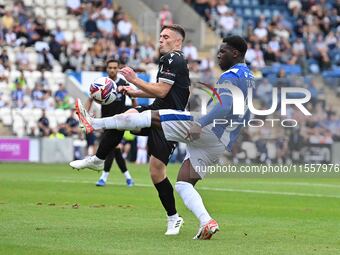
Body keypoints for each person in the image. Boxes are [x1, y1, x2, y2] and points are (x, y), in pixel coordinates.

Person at [74, 35, 253, 240]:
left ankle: (93, 123)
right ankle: (207, 222)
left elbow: (224, 106)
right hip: (220, 142)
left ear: (235, 53)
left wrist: (200, 124)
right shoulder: (248, 76)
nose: (218, 55)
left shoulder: (230, 76)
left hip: (207, 129)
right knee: (183, 183)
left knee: (152, 117)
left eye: (223, 51)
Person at [70, 24, 190, 235]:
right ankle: (98, 158)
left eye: (166, 36)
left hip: (167, 121)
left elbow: (162, 91)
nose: (160, 39)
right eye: (160, 35)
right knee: (126, 117)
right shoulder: (171, 60)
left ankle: (174, 218)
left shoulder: (172, 58)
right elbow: (165, 93)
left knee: (156, 172)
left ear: (177, 41)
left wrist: (135, 80)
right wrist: (135, 92)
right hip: (157, 113)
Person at [87, 59, 135, 187]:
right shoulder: (102, 83)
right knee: (114, 150)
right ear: (107, 69)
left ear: (118, 68)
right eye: (110, 67)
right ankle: (128, 178)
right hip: (106, 122)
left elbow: (133, 97)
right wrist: (86, 114)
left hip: (120, 122)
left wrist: (136, 112)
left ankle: (104, 177)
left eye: (115, 67)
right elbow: (90, 98)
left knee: (112, 149)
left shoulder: (123, 83)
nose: (112, 70)